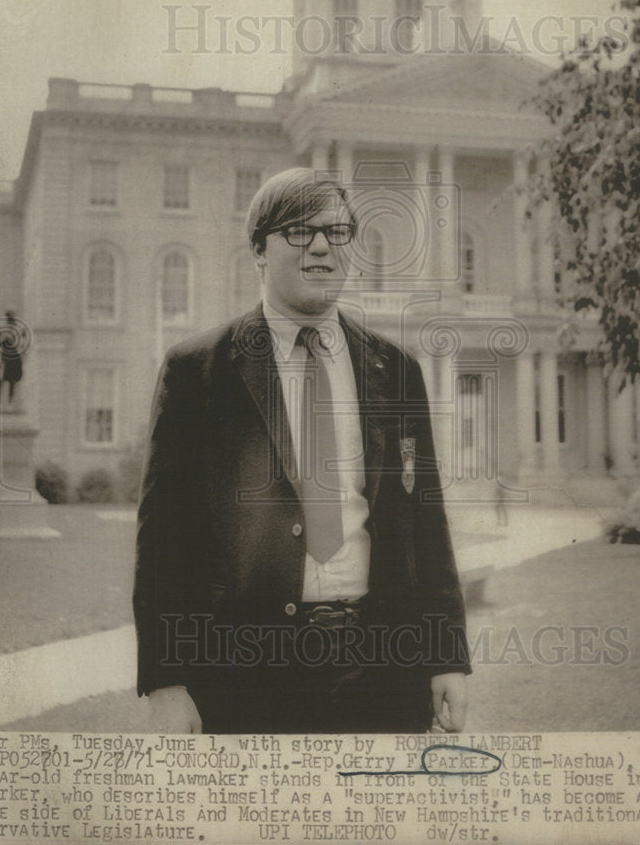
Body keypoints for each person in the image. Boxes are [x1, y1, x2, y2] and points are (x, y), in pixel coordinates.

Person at [133, 167, 470, 734]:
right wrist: (167, 680)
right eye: (298, 231)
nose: (320, 247)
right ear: (259, 251)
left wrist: (447, 657)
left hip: (381, 671)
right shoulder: (198, 372)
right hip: (243, 676)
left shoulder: (397, 370)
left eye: (337, 233)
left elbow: (424, 521)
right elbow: (164, 535)